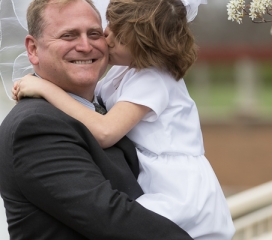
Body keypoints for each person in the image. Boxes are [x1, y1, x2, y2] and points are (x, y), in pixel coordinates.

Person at [13, 0, 235, 239]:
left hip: (178, 187)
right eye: (109, 28)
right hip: (155, 177)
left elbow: (106, 132)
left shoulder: (153, 78)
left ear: (145, 47)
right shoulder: (124, 69)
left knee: (135, 225)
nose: (106, 40)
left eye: (117, 38)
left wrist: (47, 89)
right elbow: (89, 102)